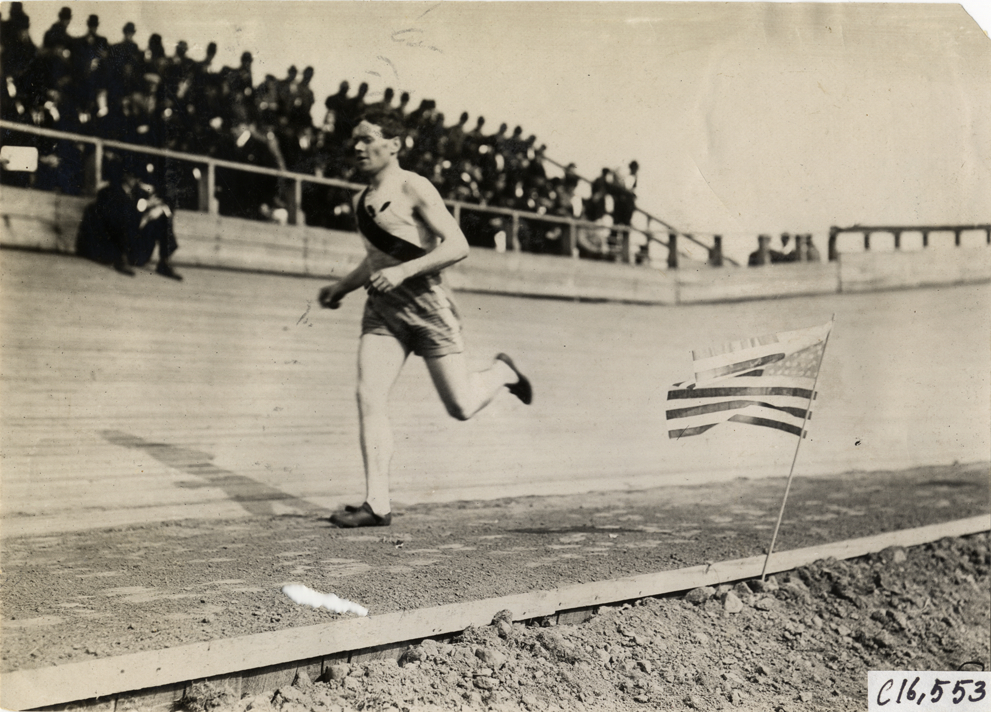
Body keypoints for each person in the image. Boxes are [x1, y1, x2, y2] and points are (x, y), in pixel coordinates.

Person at [317, 109, 532, 528]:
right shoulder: (360, 200)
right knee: (369, 396)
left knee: (462, 406)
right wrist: (342, 287)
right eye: (354, 141)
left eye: (367, 139)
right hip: (384, 312)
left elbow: (457, 245)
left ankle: (502, 372)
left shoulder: (414, 186)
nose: (358, 148)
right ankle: (376, 503)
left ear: (394, 145)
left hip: (429, 307)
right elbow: (377, 259)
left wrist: (402, 272)